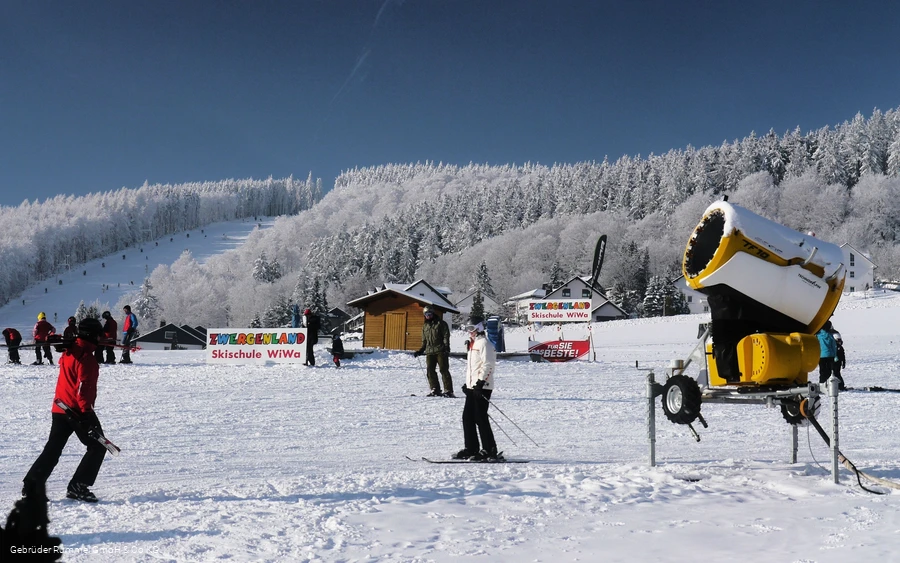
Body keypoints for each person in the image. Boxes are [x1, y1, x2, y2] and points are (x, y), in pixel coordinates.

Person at [22, 318, 107, 503]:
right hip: (76, 411)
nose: (100, 337)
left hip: (59, 407)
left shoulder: (70, 349)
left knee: (53, 449)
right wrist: (86, 414)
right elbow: (84, 389)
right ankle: (78, 486)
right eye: (99, 334)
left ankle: (32, 486)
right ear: (93, 335)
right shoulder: (87, 358)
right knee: (98, 445)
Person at [454, 321, 500, 460]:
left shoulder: (485, 344)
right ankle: (471, 448)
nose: (469, 331)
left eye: (472, 328)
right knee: (467, 418)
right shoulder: (472, 344)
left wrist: (480, 383)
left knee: (480, 417)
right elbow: (473, 367)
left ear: (479, 328)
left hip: (483, 387)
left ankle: (489, 449)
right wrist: (468, 384)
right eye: (467, 328)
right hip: (473, 387)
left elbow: (488, 365)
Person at [413, 306, 454, 397]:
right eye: (426, 314)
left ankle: (448, 390)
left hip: (440, 350)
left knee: (443, 370)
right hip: (429, 351)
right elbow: (424, 340)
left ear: (433, 313)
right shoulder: (425, 326)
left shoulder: (441, 324)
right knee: (430, 370)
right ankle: (435, 389)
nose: (428, 316)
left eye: (429, 314)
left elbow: (446, 336)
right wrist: (421, 350)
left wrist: (446, 348)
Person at [816, 320, 838, 388]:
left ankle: (822, 385)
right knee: (829, 371)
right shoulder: (830, 335)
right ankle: (829, 385)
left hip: (821, 355)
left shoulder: (818, 336)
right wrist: (835, 355)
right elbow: (834, 346)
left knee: (822, 371)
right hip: (830, 355)